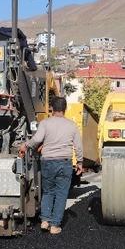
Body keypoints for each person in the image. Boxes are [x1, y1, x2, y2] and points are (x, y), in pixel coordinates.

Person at [19, 96, 83, 235]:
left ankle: (45, 220)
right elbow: (78, 146)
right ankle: (55, 225)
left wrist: (26, 145)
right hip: (64, 162)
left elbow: (37, 139)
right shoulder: (72, 125)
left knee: (48, 191)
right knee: (61, 194)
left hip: (47, 162)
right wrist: (79, 162)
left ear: (52, 108)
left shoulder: (45, 123)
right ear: (65, 109)